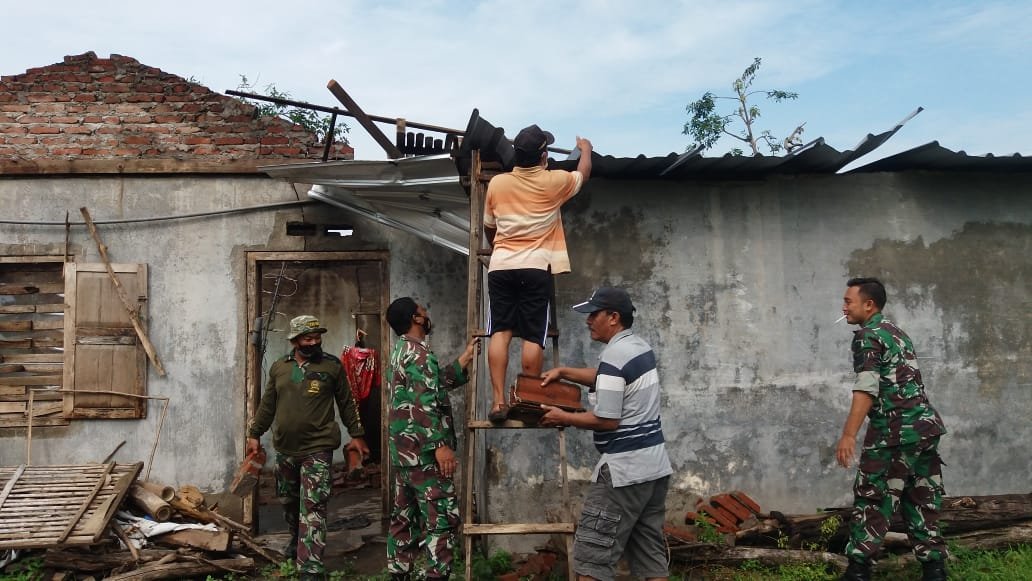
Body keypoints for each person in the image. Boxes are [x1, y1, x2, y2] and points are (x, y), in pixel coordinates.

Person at [538, 286, 672, 581]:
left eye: (593, 314)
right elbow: (607, 377)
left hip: (624, 473)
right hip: (654, 469)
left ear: (613, 317)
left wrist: (564, 417)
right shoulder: (636, 347)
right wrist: (564, 371)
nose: (588, 320)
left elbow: (606, 420)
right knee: (650, 558)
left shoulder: (614, 355)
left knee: (591, 559)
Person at [836, 278, 948, 581]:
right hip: (925, 429)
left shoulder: (867, 336)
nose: (844, 307)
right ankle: (935, 569)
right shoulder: (896, 333)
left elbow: (867, 387)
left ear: (868, 305)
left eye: (849, 301)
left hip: (894, 433)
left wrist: (849, 435)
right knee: (921, 498)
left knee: (872, 498)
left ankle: (858, 571)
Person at [246, 315, 370, 581]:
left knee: (314, 505)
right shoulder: (280, 368)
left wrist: (357, 435)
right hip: (286, 449)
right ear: (294, 340)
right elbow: (268, 404)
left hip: (319, 447)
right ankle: (295, 538)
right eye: (307, 338)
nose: (314, 342)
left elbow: (347, 403)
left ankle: (311, 566)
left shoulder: (332, 367)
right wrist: (255, 432)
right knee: (289, 501)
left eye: (317, 337)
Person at [483, 124, 593, 422]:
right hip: (535, 267)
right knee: (533, 334)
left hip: (501, 266)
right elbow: (583, 173)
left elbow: (489, 227)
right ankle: (528, 400)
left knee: (500, 331)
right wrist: (585, 149)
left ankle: (497, 403)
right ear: (544, 155)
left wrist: (501, 249)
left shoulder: (497, 184)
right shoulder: (554, 181)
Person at [385, 297, 477, 581]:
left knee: (404, 519)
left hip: (404, 455)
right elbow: (424, 404)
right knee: (440, 520)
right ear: (416, 318)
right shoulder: (420, 355)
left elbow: (431, 385)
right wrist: (440, 446)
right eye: (423, 310)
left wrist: (464, 360)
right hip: (425, 455)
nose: (427, 313)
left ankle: (398, 574)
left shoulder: (401, 350)